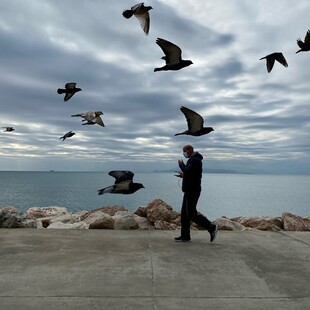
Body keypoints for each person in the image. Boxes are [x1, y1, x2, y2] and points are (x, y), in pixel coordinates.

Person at [175, 144, 218, 242]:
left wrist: (181, 165)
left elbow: (188, 171)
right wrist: (184, 175)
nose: (184, 153)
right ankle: (185, 236)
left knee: (191, 214)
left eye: (184, 151)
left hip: (193, 191)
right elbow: (190, 174)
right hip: (189, 190)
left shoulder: (195, 160)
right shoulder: (192, 160)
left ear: (189, 150)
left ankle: (211, 227)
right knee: (184, 215)